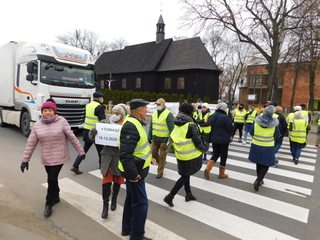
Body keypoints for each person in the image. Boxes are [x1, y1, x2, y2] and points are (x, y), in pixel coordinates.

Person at [20, 100, 85, 217]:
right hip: (46, 157)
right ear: (42, 112)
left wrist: (81, 151)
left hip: (59, 156)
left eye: (50, 110)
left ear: (54, 111)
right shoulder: (37, 125)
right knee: (52, 179)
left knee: (51, 179)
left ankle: (48, 204)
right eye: (45, 110)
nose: (47, 112)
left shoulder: (62, 121)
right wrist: (25, 160)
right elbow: (30, 143)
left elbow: (72, 137)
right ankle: (56, 195)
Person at [118, 99, 155, 240]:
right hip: (135, 172)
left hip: (136, 169)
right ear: (139, 110)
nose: (147, 111)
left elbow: (140, 147)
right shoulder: (131, 126)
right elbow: (125, 155)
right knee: (141, 204)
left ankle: (126, 229)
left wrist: (150, 157)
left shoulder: (135, 123)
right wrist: (133, 175)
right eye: (145, 108)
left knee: (130, 200)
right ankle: (137, 236)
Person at [89, 104, 129, 219]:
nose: (115, 115)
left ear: (123, 115)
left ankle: (114, 199)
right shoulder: (104, 123)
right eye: (114, 112)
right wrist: (92, 133)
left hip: (119, 158)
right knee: (106, 182)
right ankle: (105, 205)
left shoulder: (126, 125)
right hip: (107, 157)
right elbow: (92, 137)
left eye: (118, 113)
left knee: (117, 181)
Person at [163, 103, 207, 207]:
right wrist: (204, 150)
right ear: (190, 112)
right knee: (185, 175)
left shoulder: (176, 122)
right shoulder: (190, 125)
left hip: (180, 153)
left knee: (185, 174)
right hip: (190, 155)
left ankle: (188, 194)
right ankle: (170, 196)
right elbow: (197, 141)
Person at [71, 92, 106, 174]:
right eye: (102, 97)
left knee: (84, 150)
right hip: (96, 132)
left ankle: (75, 166)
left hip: (87, 131)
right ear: (99, 98)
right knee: (101, 151)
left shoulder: (88, 105)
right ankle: (101, 167)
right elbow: (103, 121)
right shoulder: (99, 107)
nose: (102, 99)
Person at [248, 105, 280, 191]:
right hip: (268, 146)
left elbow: (251, 132)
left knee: (258, 162)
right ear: (272, 113)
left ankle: (259, 179)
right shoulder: (274, 124)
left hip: (256, 144)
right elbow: (277, 136)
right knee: (266, 164)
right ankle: (258, 180)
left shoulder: (256, 121)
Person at [204, 102, 233, 180]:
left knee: (216, 154)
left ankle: (208, 168)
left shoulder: (213, 116)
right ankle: (221, 173)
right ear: (224, 109)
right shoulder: (225, 117)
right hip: (224, 140)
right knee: (223, 155)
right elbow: (230, 128)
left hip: (214, 139)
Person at [148, 98, 174, 178]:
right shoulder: (154, 113)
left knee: (162, 156)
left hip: (164, 140)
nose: (157, 106)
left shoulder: (168, 114)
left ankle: (160, 172)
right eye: (156, 104)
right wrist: (149, 136)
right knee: (153, 153)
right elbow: (151, 126)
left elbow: (171, 128)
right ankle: (162, 163)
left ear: (163, 104)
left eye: (159, 104)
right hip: (155, 139)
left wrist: (171, 140)